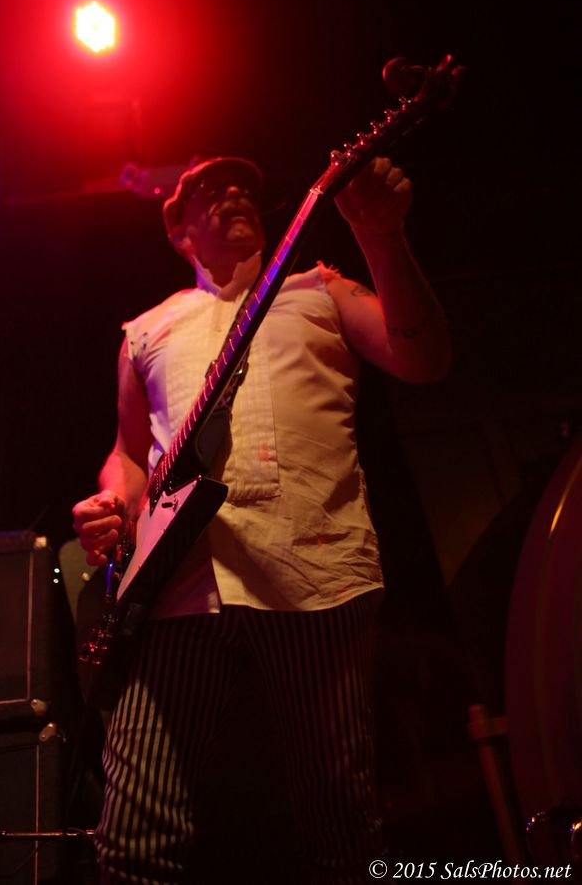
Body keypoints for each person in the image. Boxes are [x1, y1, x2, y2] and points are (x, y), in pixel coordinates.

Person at [72, 154, 451, 884]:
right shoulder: (146, 330)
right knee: (133, 840)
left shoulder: (320, 290)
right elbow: (127, 453)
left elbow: (425, 358)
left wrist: (382, 236)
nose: (236, 193)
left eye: (245, 185)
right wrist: (113, 500)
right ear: (178, 228)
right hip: (176, 586)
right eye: (210, 190)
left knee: (341, 826)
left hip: (314, 572)